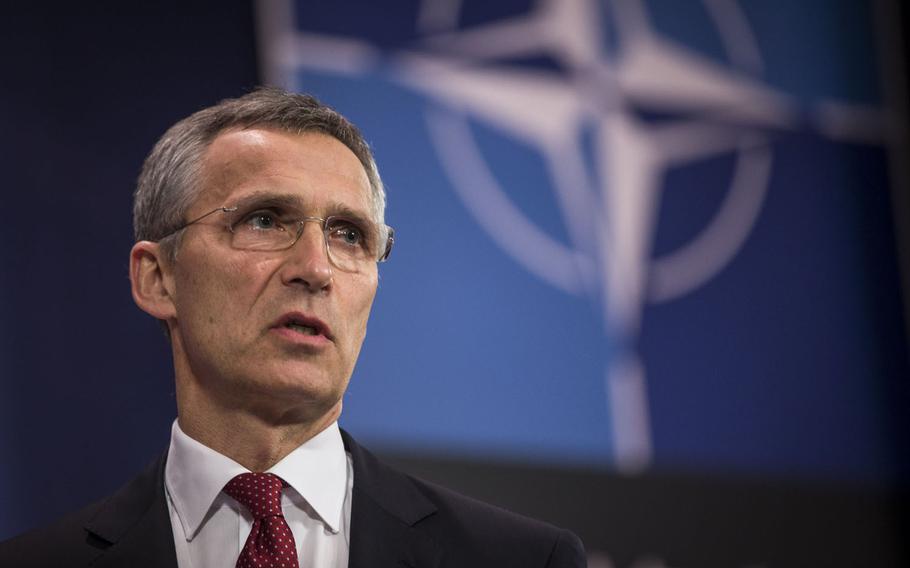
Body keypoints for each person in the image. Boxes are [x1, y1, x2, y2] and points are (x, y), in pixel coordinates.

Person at [0, 87, 586, 567]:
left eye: (349, 235)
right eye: (264, 220)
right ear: (158, 278)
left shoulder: (522, 561)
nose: (314, 269)